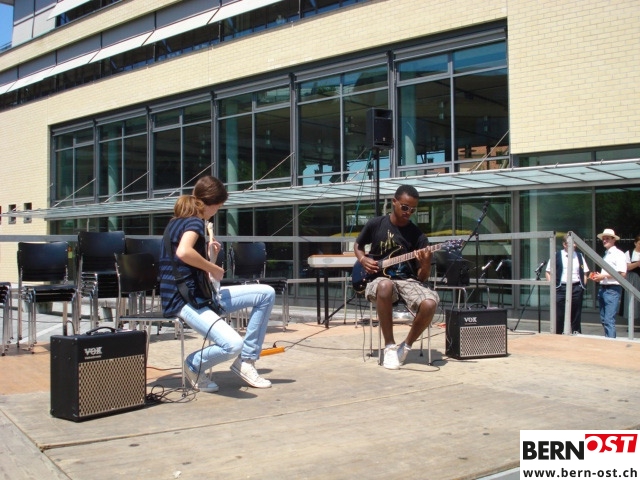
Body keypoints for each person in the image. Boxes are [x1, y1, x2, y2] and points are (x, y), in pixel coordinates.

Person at [159, 175, 276, 392]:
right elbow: (183, 252)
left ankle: (246, 361)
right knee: (232, 344)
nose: (217, 211)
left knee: (266, 293)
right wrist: (214, 268)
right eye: (219, 206)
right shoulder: (195, 221)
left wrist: (210, 257)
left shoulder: (176, 222)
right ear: (211, 203)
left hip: (200, 294)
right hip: (185, 300)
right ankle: (194, 365)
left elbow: (189, 265)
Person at [353, 185, 439, 370]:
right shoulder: (376, 224)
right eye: (405, 207)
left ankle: (405, 347)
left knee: (430, 303)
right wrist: (363, 259)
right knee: (385, 285)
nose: (408, 212)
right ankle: (390, 347)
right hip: (377, 278)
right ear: (394, 202)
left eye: (413, 210)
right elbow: (358, 245)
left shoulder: (418, 236)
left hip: (407, 280)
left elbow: (422, 278)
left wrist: (425, 264)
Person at [545, 235, 589, 334]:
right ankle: (558, 335)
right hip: (560, 288)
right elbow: (548, 272)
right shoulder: (556, 255)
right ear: (564, 244)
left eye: (575, 243)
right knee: (559, 315)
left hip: (576, 288)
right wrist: (553, 287)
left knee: (576, 315)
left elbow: (585, 272)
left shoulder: (579, 256)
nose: (574, 245)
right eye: (571, 243)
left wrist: (582, 286)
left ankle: (576, 334)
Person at [589, 228, 627, 338]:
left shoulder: (619, 254)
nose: (604, 240)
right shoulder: (607, 254)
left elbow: (622, 273)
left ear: (614, 239)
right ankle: (608, 341)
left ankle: (611, 343)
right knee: (604, 319)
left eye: (607, 238)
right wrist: (599, 277)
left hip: (612, 289)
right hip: (604, 288)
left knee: (608, 320)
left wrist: (603, 276)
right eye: (603, 239)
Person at [623, 233, 640, 323]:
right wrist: (637, 263)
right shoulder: (629, 253)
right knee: (632, 301)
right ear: (635, 243)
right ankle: (631, 324)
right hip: (633, 279)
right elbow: (627, 267)